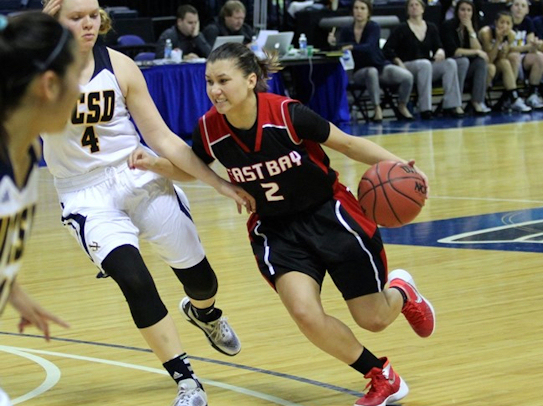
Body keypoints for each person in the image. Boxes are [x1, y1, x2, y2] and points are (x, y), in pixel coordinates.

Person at [130, 42, 436, 406]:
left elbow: (349, 144)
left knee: (373, 319)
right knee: (305, 313)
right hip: (276, 229)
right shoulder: (209, 129)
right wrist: (154, 164)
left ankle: (402, 291)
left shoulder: (288, 115)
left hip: (330, 214)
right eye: (209, 81)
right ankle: (380, 375)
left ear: (250, 80)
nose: (215, 90)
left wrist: (404, 167)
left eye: (223, 80)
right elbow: (194, 169)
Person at [41, 0, 252, 405]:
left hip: (136, 172)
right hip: (83, 193)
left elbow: (163, 138)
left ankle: (204, 313)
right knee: (134, 280)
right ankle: (187, 381)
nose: (87, 23)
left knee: (201, 280)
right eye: (75, 16)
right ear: (54, 19)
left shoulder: (119, 65)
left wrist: (218, 183)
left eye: (91, 15)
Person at [0, 11, 83, 406]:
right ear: (49, 85)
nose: (81, 90)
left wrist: (10, 289)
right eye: (77, 74)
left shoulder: (30, 149)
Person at [383, 0, 474, 120]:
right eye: (411, 5)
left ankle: (452, 105)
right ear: (407, 10)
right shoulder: (401, 28)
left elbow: (439, 46)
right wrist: (397, 61)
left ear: (423, 9)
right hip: (407, 66)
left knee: (450, 63)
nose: (414, 7)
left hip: (426, 66)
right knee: (425, 64)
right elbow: (387, 49)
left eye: (417, 5)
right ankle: (425, 108)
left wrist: (440, 51)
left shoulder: (431, 27)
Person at [328, 0, 414, 121]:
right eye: (356, 8)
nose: (359, 11)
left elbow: (369, 46)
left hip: (380, 67)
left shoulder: (373, 27)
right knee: (371, 72)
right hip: (358, 71)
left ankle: (402, 104)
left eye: (362, 8)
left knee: (407, 76)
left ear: (368, 12)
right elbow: (340, 49)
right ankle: (377, 108)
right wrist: (333, 43)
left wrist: (352, 46)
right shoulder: (346, 30)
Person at [440, 0, 491, 116]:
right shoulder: (448, 25)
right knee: (463, 61)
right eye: (462, 10)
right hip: (449, 66)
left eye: (469, 10)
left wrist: (471, 31)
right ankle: (456, 103)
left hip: (466, 65)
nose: (465, 13)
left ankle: (477, 101)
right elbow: (454, 51)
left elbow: (478, 50)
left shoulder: (471, 27)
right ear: (457, 12)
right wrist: (476, 51)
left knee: (480, 62)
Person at [479, 10, 532, 112]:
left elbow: (502, 58)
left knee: (509, 60)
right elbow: (489, 59)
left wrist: (503, 51)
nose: (505, 26)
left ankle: (511, 97)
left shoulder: (511, 35)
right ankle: (481, 98)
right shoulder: (486, 33)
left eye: (508, 23)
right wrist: (498, 41)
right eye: (502, 22)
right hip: (482, 65)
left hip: (497, 64)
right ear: (495, 23)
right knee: (492, 67)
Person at [509, 0, 543, 109]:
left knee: (540, 56)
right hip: (508, 57)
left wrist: (536, 45)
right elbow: (507, 48)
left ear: (527, 10)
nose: (519, 8)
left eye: (523, 6)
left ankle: (532, 94)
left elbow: (531, 44)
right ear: (511, 8)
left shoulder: (528, 22)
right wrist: (527, 47)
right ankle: (512, 96)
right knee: (514, 56)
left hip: (523, 58)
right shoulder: (506, 21)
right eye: (516, 5)